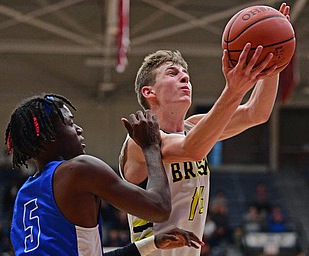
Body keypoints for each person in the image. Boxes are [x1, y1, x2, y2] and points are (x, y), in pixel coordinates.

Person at [119, 3, 291, 256]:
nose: (184, 77)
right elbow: (193, 149)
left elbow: (257, 113)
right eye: (172, 73)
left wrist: (270, 62)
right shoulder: (140, 138)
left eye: (186, 74)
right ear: (149, 92)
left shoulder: (196, 126)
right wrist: (233, 89)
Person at [5, 94, 203, 256]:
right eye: (69, 123)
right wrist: (150, 146)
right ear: (48, 136)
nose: (79, 129)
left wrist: (152, 243)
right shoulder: (78, 169)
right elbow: (159, 208)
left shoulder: (25, 196)